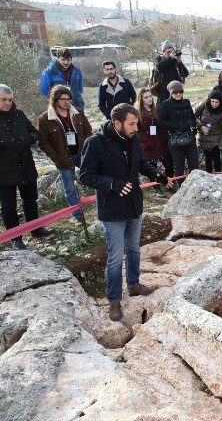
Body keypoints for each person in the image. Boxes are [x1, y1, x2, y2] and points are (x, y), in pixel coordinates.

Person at [80, 103, 172, 321]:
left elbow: (139, 163)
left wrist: (156, 175)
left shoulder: (133, 139)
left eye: (136, 124)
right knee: (115, 257)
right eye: (131, 124)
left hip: (134, 205)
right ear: (117, 123)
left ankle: (133, 284)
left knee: (134, 250)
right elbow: (85, 176)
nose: (135, 128)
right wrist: (112, 184)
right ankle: (114, 299)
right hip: (112, 210)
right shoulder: (95, 143)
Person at [0, 84, 56, 250]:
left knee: (31, 200)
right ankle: (15, 238)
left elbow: (34, 133)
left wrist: (26, 138)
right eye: (3, 100)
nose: (8, 103)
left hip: (26, 166)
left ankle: (36, 229)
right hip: (3, 171)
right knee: (9, 206)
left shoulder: (18, 114)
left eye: (10, 100)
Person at [36, 84, 93, 223]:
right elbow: (43, 142)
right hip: (63, 158)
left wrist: (86, 148)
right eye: (63, 99)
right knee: (70, 188)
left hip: (81, 154)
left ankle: (102, 206)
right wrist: (56, 157)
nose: (66, 102)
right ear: (55, 100)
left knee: (95, 178)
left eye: (69, 99)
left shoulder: (78, 112)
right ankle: (78, 216)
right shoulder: (44, 119)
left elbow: (88, 132)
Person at [157, 81, 199, 183]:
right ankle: (181, 188)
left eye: (181, 91)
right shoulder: (165, 104)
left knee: (194, 165)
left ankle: (195, 185)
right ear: (171, 93)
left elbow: (193, 117)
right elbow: (161, 122)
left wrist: (192, 126)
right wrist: (176, 125)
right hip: (176, 139)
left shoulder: (186, 102)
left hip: (190, 138)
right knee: (179, 167)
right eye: (175, 92)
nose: (178, 94)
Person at [136, 87, 173, 198]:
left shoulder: (157, 108)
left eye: (150, 96)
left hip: (161, 142)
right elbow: (136, 130)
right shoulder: (138, 113)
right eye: (146, 97)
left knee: (169, 164)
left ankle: (168, 183)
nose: (149, 99)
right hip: (148, 144)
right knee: (152, 168)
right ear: (141, 99)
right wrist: (143, 139)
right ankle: (156, 187)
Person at [195, 90, 222, 173]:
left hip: (216, 139)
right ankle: (208, 178)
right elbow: (193, 117)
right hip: (204, 138)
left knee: (217, 160)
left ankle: (218, 178)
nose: (214, 104)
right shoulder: (203, 105)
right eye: (212, 101)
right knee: (208, 160)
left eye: (216, 102)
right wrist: (201, 126)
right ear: (209, 100)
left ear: (220, 102)